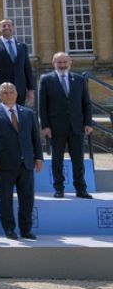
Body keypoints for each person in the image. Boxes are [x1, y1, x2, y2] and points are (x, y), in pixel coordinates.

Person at [0, 82, 44, 240]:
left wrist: (39, 157)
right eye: (4, 92)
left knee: (27, 199)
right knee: (5, 199)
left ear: (17, 94)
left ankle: (26, 229)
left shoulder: (28, 113)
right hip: (4, 164)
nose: (8, 95)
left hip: (26, 163)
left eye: (11, 92)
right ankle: (9, 229)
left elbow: (35, 138)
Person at [38, 51, 94, 198]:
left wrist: (88, 123)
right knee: (57, 160)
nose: (62, 65)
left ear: (70, 63)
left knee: (78, 160)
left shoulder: (79, 79)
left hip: (77, 126)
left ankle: (81, 189)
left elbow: (86, 103)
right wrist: (45, 126)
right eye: (59, 62)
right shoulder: (46, 80)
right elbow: (42, 105)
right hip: (56, 127)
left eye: (64, 62)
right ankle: (59, 188)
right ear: (53, 63)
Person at [0, 19, 35, 106]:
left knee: (19, 116)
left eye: (9, 25)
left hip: (20, 90)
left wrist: (31, 89)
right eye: (3, 26)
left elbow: (27, 68)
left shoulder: (22, 46)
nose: (6, 27)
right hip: (1, 90)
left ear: (13, 28)